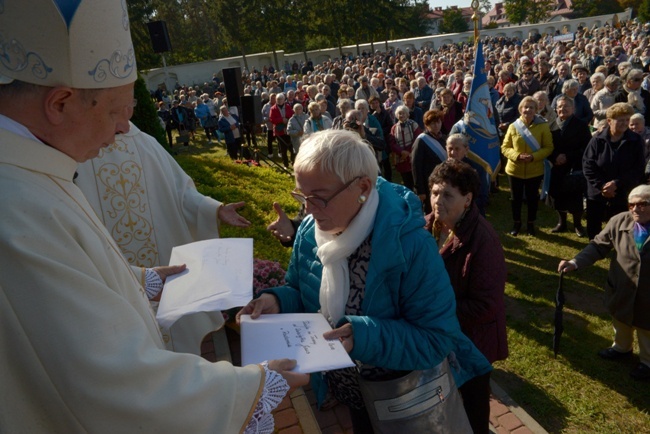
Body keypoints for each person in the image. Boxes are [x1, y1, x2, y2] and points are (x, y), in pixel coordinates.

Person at [0, 1, 307, 432]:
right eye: (116, 112)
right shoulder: (19, 204)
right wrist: (253, 388)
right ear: (61, 103)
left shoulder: (31, 172)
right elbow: (109, 380)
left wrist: (140, 280)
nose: (126, 129)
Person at [237, 129, 491, 433]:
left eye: (318, 198)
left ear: (363, 188)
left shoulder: (409, 245)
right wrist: (276, 300)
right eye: (301, 196)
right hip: (351, 393)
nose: (307, 209)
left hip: (401, 397)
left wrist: (362, 338)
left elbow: (436, 338)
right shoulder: (309, 231)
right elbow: (299, 287)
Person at [425, 160, 508, 434]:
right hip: (443, 336)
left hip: (472, 343)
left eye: (447, 194)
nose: (438, 200)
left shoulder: (483, 241)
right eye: (435, 192)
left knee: (473, 409)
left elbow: (486, 306)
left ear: (468, 199)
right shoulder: (432, 226)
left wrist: (435, 309)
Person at [558, 184, 650, 381]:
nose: (635, 209)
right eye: (631, 204)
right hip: (622, 287)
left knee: (647, 328)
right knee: (620, 320)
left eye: (643, 204)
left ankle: (647, 362)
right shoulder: (619, 221)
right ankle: (622, 348)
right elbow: (598, 246)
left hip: (648, 293)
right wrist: (575, 262)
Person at [583, 103, 646, 239]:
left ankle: (618, 250)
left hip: (622, 191)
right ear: (610, 121)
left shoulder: (635, 141)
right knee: (594, 224)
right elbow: (588, 165)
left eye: (627, 120)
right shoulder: (597, 140)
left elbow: (638, 168)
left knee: (620, 225)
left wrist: (616, 184)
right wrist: (602, 186)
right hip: (597, 191)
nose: (624, 123)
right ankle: (594, 249)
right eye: (620, 120)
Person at [501, 96, 554, 236]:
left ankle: (531, 224)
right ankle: (516, 223)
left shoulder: (543, 126)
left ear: (536, 110)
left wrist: (533, 157)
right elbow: (505, 147)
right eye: (525, 107)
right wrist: (517, 156)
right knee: (515, 199)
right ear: (520, 109)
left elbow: (548, 147)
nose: (528, 109)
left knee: (532, 199)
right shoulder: (513, 126)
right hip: (514, 170)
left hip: (534, 170)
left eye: (532, 107)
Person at [546, 96, 592, 237]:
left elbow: (587, 147)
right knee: (557, 197)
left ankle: (577, 224)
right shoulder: (551, 124)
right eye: (560, 106)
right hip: (556, 166)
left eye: (566, 106)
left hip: (574, 167)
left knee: (575, 198)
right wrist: (555, 157)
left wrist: (567, 156)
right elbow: (546, 145)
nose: (562, 109)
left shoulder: (581, 125)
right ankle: (562, 223)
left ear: (573, 109)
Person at [411, 109, 446, 214]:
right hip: (428, 183)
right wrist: (420, 190)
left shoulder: (444, 138)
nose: (436, 125)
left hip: (443, 180)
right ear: (426, 125)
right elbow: (416, 165)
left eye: (438, 122)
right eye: (432, 123)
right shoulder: (421, 140)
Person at [389, 105, 422, 191]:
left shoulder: (414, 125)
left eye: (403, 113)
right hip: (401, 159)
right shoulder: (394, 128)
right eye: (399, 113)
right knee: (407, 183)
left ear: (407, 114)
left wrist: (407, 152)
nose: (402, 115)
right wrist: (401, 152)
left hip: (412, 157)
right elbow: (392, 143)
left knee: (416, 181)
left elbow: (417, 139)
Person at [269, 93, 295, 168]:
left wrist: (287, 119)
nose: (279, 101)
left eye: (281, 99)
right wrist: (281, 120)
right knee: (283, 149)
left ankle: (293, 162)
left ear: (284, 100)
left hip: (288, 130)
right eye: (278, 99)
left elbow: (292, 115)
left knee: (291, 148)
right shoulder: (273, 108)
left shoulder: (288, 106)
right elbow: (272, 119)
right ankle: (285, 164)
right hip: (279, 132)